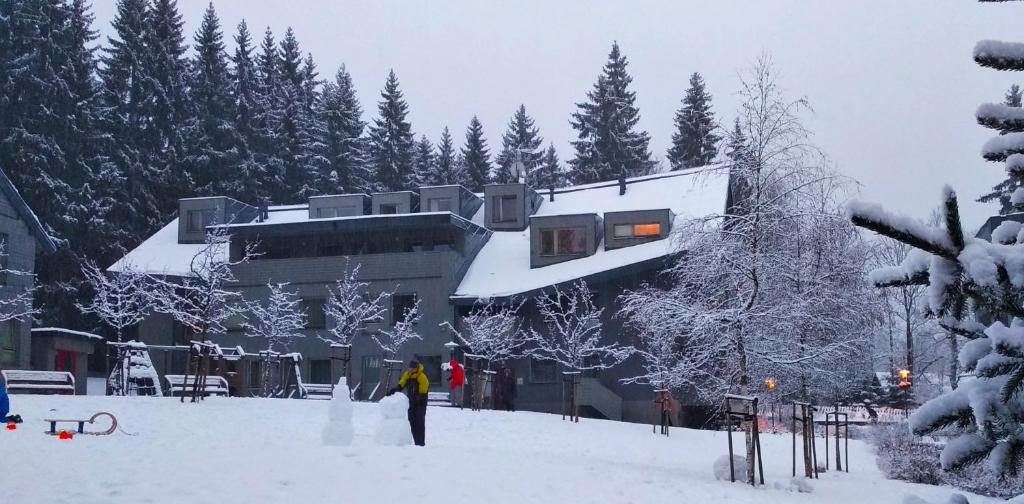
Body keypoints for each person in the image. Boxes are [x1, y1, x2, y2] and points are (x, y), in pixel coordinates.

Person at [388, 360, 429, 446]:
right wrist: (396, 389)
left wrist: (419, 399)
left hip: (420, 403)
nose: (411, 369)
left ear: (417, 368)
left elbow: (424, 390)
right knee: (412, 422)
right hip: (411, 402)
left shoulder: (422, 377)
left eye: (413, 368)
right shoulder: (407, 375)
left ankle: (421, 443)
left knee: (419, 422)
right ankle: (415, 442)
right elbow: (402, 383)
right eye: (410, 368)